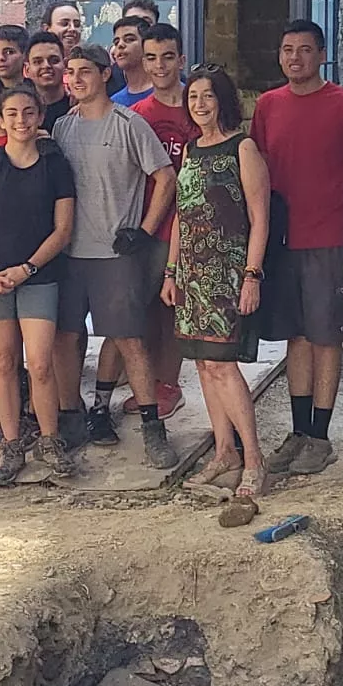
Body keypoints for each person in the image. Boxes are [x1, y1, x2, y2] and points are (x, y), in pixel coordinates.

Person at [250, 19, 343, 477]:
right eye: (287, 49)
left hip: (329, 237)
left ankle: (321, 435)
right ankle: (299, 431)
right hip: (282, 239)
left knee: (325, 337)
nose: (294, 57)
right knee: (295, 336)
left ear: (321, 54)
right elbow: (259, 167)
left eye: (304, 49)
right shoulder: (268, 105)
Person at [50, 44, 177, 468]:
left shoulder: (130, 123)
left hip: (115, 252)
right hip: (70, 252)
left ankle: (153, 428)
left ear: (106, 74)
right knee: (66, 337)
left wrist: (144, 231)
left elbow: (165, 177)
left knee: (129, 340)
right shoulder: (63, 127)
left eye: (85, 71)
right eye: (71, 72)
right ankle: (72, 416)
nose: (76, 79)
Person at [161, 66, 270, 502]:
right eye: (193, 97)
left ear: (223, 100)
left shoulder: (243, 148)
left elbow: (260, 219)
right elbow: (181, 214)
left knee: (224, 365)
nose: (199, 104)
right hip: (192, 275)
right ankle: (224, 452)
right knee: (203, 366)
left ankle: (254, 460)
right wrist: (171, 272)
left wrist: (252, 275)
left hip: (227, 274)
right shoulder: (191, 149)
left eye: (207, 96)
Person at [0, 86, 80, 484]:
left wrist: (28, 268)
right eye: (11, 113)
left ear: (40, 116)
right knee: (2, 361)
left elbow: (62, 230)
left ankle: (49, 439)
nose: (20, 120)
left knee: (41, 363)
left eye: (28, 112)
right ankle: (12, 443)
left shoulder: (55, 166)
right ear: (1, 118)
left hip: (39, 276)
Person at [122, 22, 201, 418]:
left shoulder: (198, 105)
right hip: (147, 223)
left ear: (181, 60)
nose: (159, 66)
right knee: (147, 307)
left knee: (174, 306)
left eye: (167, 57)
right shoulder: (137, 113)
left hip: (187, 225)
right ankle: (148, 382)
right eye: (151, 58)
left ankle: (169, 384)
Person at [25, 31, 71, 133]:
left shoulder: (78, 109)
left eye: (54, 60)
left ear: (65, 65)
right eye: (38, 62)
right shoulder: (20, 114)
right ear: (27, 69)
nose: (46, 66)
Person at [108, 14, 155, 107]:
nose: (120, 45)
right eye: (116, 42)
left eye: (129, 39)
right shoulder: (114, 103)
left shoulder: (172, 92)